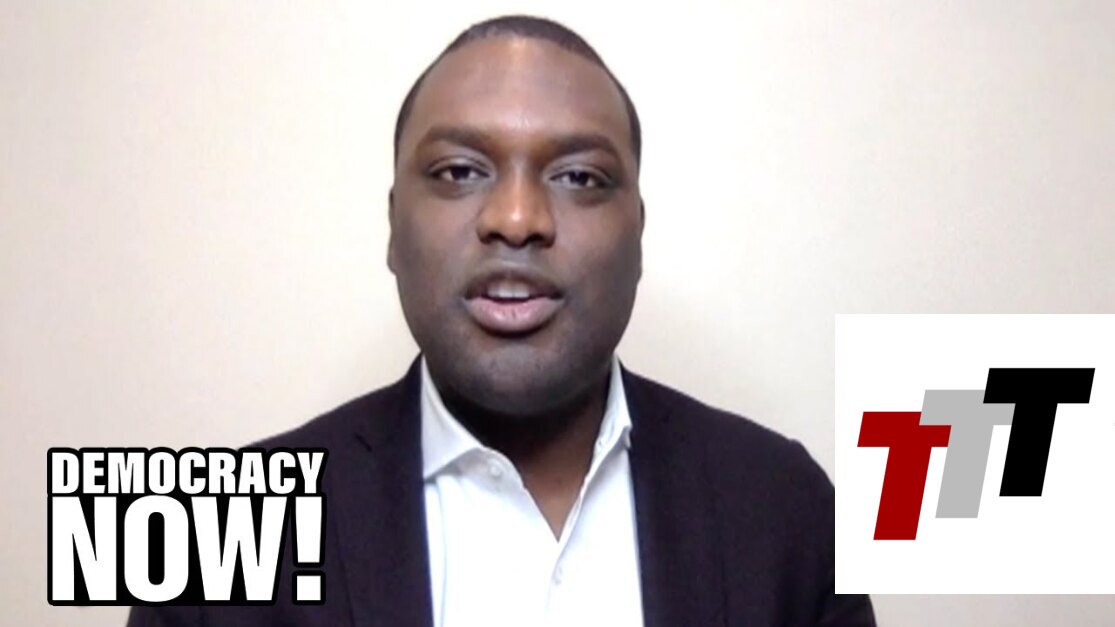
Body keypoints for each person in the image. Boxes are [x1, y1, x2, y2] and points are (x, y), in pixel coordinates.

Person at [128, 14, 875, 627]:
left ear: (639, 234)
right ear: (392, 227)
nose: (516, 218)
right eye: (459, 171)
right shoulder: (216, 534)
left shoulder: (785, 510)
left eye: (579, 176)